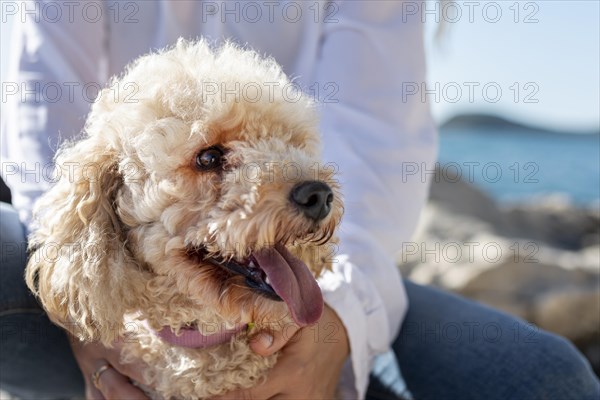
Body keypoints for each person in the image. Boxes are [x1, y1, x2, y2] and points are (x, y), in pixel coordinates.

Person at [1, 1, 598, 399]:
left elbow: (375, 150)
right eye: (211, 160)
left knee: (548, 380)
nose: (296, 182)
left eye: (287, 146)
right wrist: (85, 327)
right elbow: (41, 110)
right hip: (93, 242)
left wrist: (340, 325)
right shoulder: (101, 193)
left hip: (336, 262)